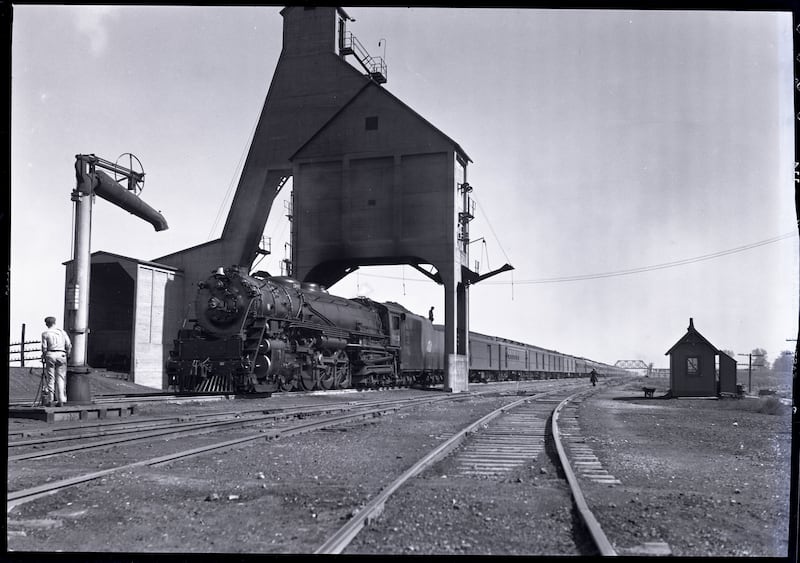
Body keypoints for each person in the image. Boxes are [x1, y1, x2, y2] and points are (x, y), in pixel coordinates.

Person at [41, 316, 71, 407]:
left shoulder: (45, 333)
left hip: (50, 355)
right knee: (61, 378)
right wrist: (68, 355)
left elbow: (44, 347)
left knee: (51, 378)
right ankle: (61, 400)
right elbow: (69, 345)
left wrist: (44, 356)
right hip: (61, 355)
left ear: (46, 324)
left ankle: (50, 400)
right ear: (55, 322)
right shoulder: (62, 332)